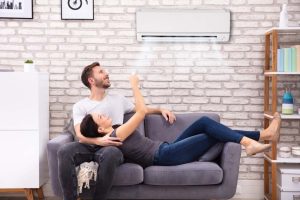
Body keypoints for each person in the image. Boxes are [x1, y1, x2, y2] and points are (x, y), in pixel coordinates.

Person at [80, 74, 281, 168]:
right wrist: (134, 85)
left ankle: (263, 135)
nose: (104, 114)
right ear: (99, 128)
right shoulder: (116, 135)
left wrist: (160, 109)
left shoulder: (116, 128)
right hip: (164, 156)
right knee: (209, 133)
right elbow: (140, 112)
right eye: (100, 116)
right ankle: (249, 142)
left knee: (204, 122)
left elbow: (144, 110)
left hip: (168, 148)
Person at [57, 62, 176, 200]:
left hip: (114, 145)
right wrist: (100, 141)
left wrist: (160, 110)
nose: (106, 73)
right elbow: (80, 135)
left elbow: (140, 110)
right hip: (89, 146)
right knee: (64, 150)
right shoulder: (80, 106)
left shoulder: (118, 99)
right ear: (91, 80)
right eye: (101, 72)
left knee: (111, 152)